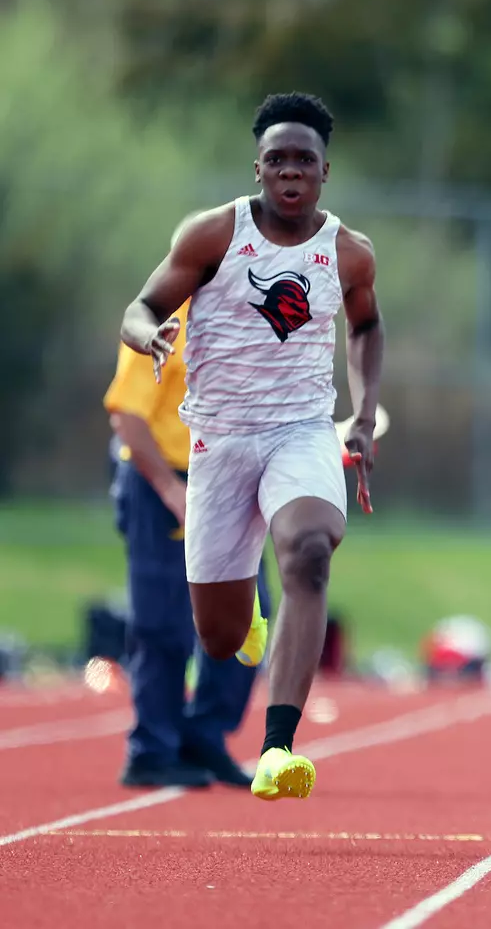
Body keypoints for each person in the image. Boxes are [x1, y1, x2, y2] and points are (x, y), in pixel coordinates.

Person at [119, 92, 383, 802]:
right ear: (258, 168)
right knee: (218, 636)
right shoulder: (214, 235)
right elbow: (139, 308)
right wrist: (152, 335)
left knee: (308, 552)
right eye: (277, 160)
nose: (290, 171)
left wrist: (363, 413)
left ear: (325, 170)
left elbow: (363, 329)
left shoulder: (349, 252)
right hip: (221, 443)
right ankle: (249, 616)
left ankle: (277, 748)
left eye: (304, 160)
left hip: (300, 431)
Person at [104, 286, 267, 789]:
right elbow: (127, 418)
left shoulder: (250, 322)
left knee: (250, 619)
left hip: (225, 481)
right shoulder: (164, 323)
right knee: (163, 621)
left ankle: (204, 734)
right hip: (162, 485)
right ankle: (153, 747)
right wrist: (173, 491)